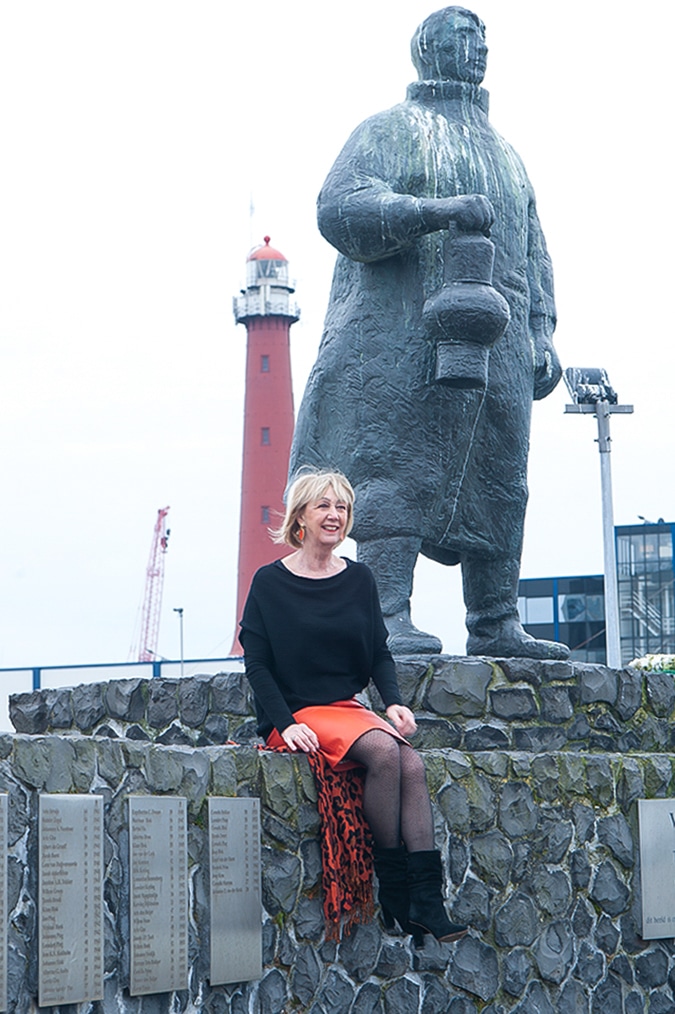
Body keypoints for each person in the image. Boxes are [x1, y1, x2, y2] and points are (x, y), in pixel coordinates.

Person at [289, 6, 569, 660]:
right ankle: (388, 612)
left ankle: (495, 620)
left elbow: (533, 252)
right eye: (464, 37)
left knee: (501, 476)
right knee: (397, 466)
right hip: (399, 336)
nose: (478, 49)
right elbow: (340, 209)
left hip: (497, 345)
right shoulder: (390, 130)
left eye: (482, 38)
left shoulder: (507, 155)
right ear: (428, 49)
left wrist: (542, 330)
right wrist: (431, 212)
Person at [239, 469, 467, 947]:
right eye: (323, 505)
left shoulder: (360, 578)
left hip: (348, 709)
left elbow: (379, 652)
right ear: (300, 516)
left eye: (342, 507)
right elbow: (257, 666)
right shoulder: (269, 582)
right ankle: (395, 889)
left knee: (411, 763)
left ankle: (426, 903)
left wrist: (395, 703)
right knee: (384, 753)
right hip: (299, 714)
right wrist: (285, 723)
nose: (334, 515)